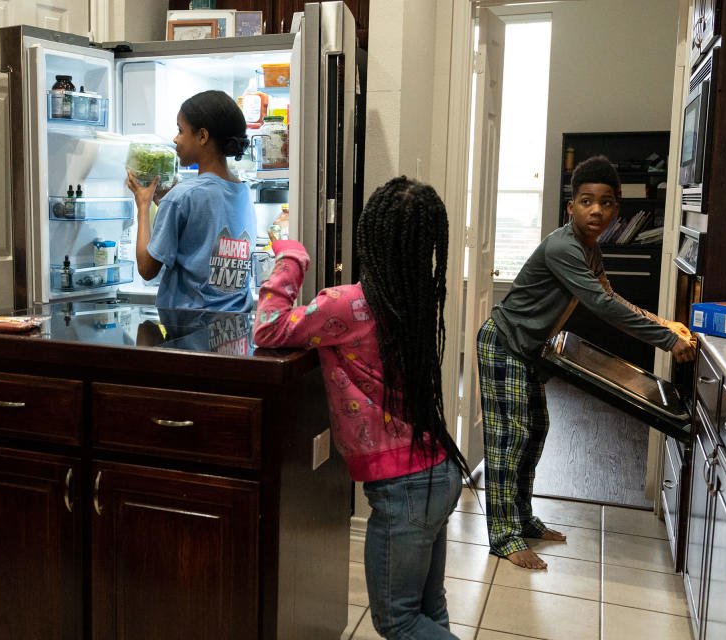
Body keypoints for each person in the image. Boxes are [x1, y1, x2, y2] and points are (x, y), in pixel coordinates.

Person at [254, 176, 470, 639]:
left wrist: (290, 255)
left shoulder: (345, 305)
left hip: (405, 489)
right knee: (428, 609)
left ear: (370, 236)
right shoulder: (414, 302)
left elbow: (269, 329)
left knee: (398, 621)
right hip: (438, 470)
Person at [477, 155, 695, 570]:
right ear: (570, 207)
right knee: (510, 441)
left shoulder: (588, 248)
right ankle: (503, 536)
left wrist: (663, 322)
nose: (597, 210)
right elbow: (602, 305)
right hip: (504, 345)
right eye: (586, 201)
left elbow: (610, 295)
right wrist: (667, 339)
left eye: (607, 203)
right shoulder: (563, 247)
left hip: (527, 351)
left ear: (617, 210)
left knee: (534, 433)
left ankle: (522, 519)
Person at [126, 90, 257, 311]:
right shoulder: (243, 191)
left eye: (180, 130)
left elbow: (147, 269)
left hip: (190, 330)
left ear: (202, 136)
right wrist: (164, 204)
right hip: (235, 326)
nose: (175, 139)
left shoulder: (182, 196)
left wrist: (143, 204)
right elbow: (198, 235)